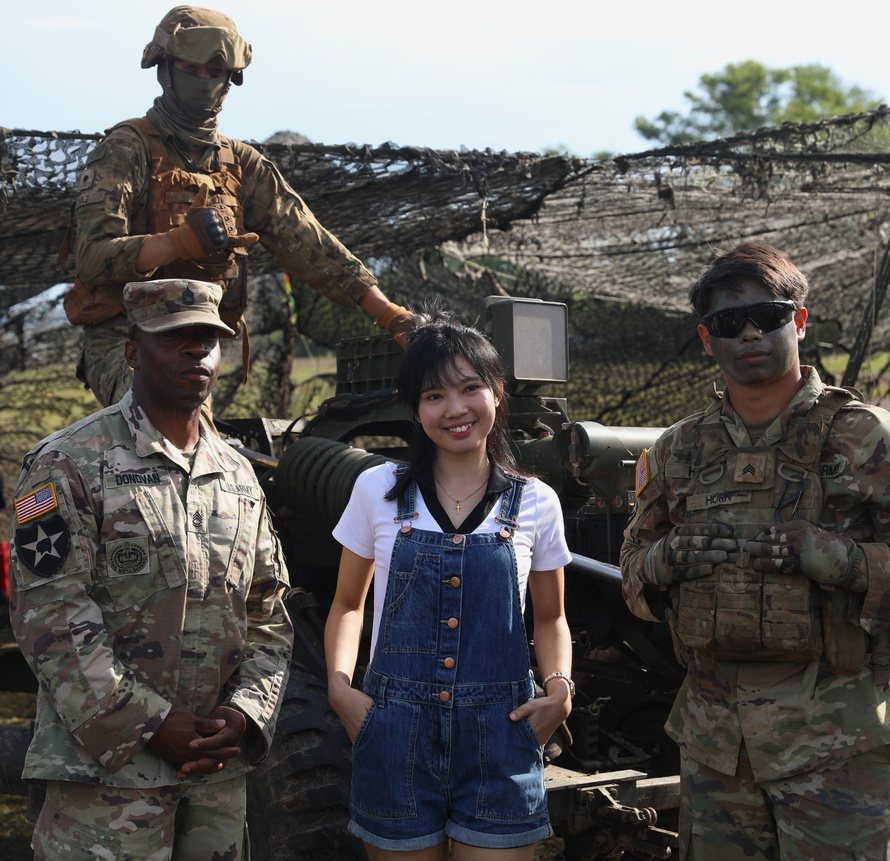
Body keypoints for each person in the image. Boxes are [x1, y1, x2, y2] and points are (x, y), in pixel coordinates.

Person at [620, 241, 890, 861]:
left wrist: (844, 561)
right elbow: (632, 573)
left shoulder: (864, 438)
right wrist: (667, 560)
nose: (749, 334)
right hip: (716, 750)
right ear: (706, 340)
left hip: (835, 745)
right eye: (727, 325)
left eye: (766, 316)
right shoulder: (679, 450)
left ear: (798, 321)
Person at [9, 277, 294, 860]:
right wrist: (147, 724)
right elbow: (50, 616)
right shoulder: (64, 463)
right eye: (176, 338)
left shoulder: (239, 474)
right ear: (133, 352)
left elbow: (269, 612)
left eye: (209, 340)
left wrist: (244, 714)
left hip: (214, 781)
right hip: (107, 783)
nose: (198, 352)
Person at [64, 5, 414, 407]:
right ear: (164, 69)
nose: (203, 81)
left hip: (197, 343)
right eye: (190, 69)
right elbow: (91, 257)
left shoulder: (243, 164)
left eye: (214, 73)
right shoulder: (127, 149)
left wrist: (389, 315)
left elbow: (310, 244)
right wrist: (176, 243)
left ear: (230, 80)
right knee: (161, 420)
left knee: (200, 446)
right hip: (127, 339)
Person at [324, 312, 574, 859]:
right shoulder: (378, 489)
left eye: (470, 388)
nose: (456, 409)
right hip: (394, 738)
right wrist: (341, 689)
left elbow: (552, 617)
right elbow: (348, 603)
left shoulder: (536, 502)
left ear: (498, 393)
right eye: (434, 395)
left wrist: (560, 689)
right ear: (413, 408)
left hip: (501, 740)